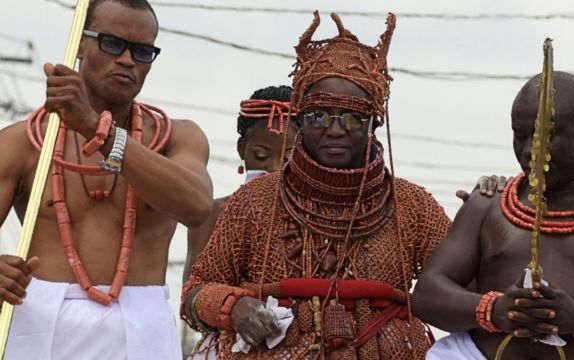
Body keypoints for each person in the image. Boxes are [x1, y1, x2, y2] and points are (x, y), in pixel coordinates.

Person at [181, 12, 453, 359]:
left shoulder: (412, 206)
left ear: (375, 122)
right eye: (319, 116)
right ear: (300, 118)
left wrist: (489, 212)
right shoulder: (256, 200)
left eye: (353, 117)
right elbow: (193, 292)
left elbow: (461, 288)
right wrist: (233, 306)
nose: (335, 129)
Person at [0, 0, 213, 358]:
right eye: (112, 43)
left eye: (143, 51)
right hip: (40, 324)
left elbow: (196, 207)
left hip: (142, 327)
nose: (128, 60)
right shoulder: (23, 142)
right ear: (80, 44)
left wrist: (97, 130)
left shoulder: (178, 137)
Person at [412, 72, 574, 360]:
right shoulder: (487, 204)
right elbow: (427, 296)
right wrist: (495, 311)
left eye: (546, 136)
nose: (530, 149)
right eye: (520, 135)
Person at [184, 85, 297, 284]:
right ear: (242, 149)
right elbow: (192, 292)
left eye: (287, 158)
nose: (273, 168)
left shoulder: (319, 218)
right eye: (260, 156)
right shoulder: (213, 214)